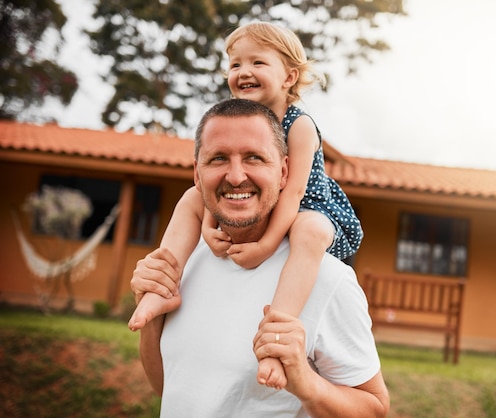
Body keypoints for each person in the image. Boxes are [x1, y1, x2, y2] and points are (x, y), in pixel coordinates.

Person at [128, 21, 363, 389]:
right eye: (235, 65)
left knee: (310, 230)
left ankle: (276, 336)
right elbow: (214, 181)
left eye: (257, 62)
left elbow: (294, 192)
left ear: (289, 76)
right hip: (265, 201)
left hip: (309, 207)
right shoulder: (233, 118)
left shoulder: (300, 126)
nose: (243, 72)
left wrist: (265, 246)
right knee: (190, 195)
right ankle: (159, 290)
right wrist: (208, 226)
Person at [131, 98, 389, 417]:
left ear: (283, 172)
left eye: (254, 157)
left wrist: (305, 383)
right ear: (197, 174)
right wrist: (151, 322)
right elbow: (166, 387)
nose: (236, 176)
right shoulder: (186, 261)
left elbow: (375, 410)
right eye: (218, 158)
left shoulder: (328, 279)